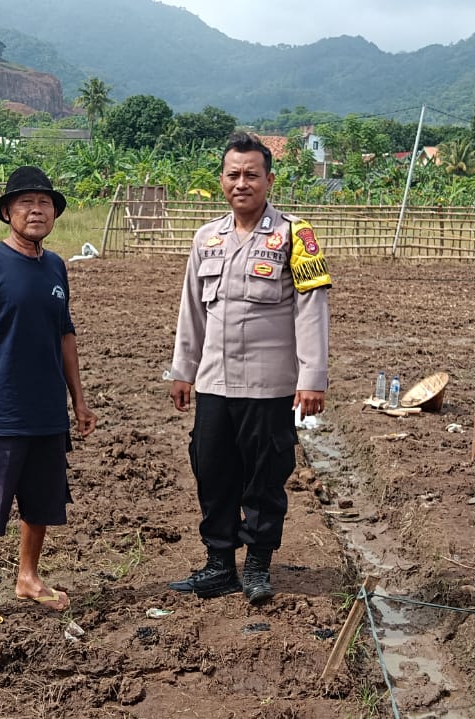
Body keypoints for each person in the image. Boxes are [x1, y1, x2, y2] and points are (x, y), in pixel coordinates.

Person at [167, 132, 331, 605]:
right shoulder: (207, 238)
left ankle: (258, 565)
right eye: (233, 174)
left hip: (269, 383)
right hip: (214, 382)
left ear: (269, 180)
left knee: (265, 476)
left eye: (251, 175)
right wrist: (183, 370)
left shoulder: (295, 235)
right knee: (211, 470)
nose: (242, 183)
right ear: (222, 180)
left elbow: (311, 310)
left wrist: (312, 378)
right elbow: (192, 310)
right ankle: (219, 564)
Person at [0, 165, 97, 628]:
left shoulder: (55, 266)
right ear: (7, 212)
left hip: (47, 409)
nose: (37, 211)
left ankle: (28, 578)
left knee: (42, 500)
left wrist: (78, 400)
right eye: (26, 203)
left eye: (45, 203)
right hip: (0, 411)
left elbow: (65, 334)